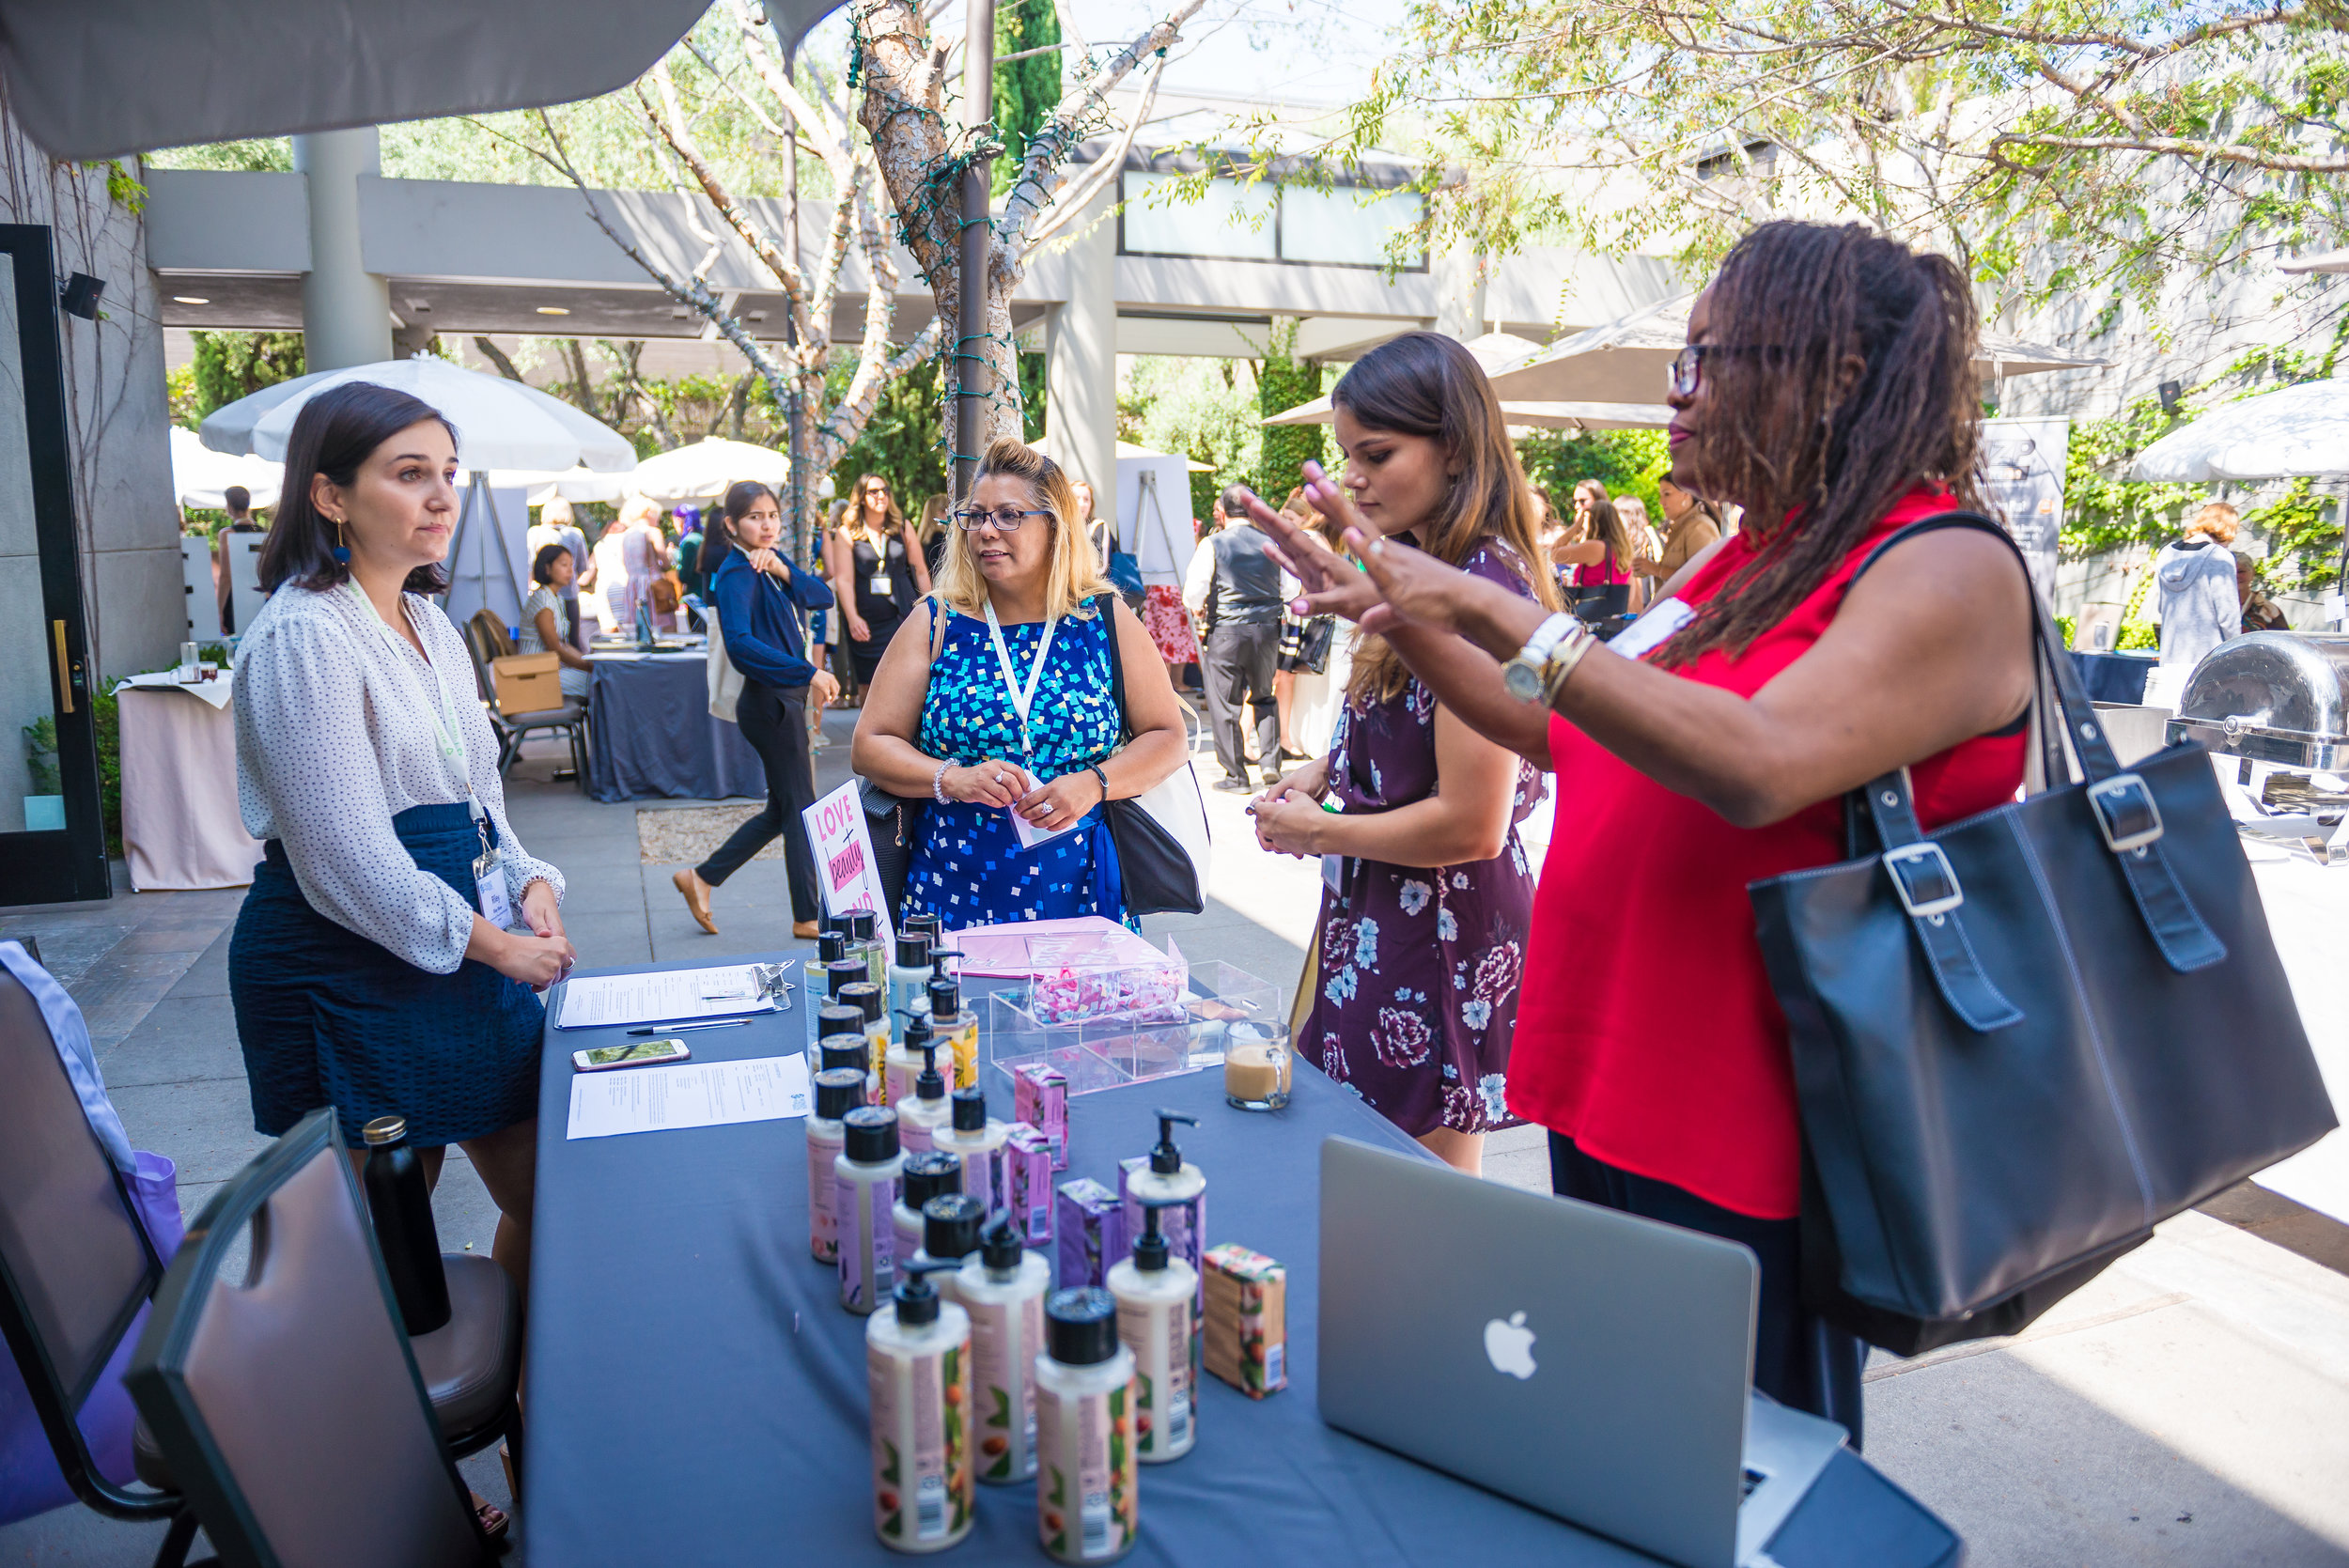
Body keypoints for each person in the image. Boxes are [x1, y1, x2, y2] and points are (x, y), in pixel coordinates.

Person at [1256, 221, 2034, 1434]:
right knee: (1630, 1451)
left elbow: (1762, 765)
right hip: (1609, 1083)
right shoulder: (1746, 563)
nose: (1676, 399)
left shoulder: (1942, 564)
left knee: (1750, 1466)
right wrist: (1407, 621)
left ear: (1831, 375)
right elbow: (1551, 729)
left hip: (1749, 1123)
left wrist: (1488, 607)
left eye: (1706, 361)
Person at [229, 385, 571, 1540]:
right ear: (329, 496)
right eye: (407, 473)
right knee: (386, 1259)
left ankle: (527, 1404)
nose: (440, 496)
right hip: (347, 962)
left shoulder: (425, 620)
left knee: (551, 1201)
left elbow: (476, 798)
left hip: (460, 938)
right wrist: (496, 941)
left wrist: (528, 878)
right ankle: (400, 1487)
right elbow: (342, 862)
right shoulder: (298, 636)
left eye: (447, 471)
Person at [1246, 334, 1554, 1177]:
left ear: (1453, 445)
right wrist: (1326, 773)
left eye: (1376, 454)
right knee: (1381, 1197)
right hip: (1392, 922)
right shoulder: (1428, 568)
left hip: (1440, 934)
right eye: (1349, 455)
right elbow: (1409, 741)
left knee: (1417, 1211)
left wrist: (1322, 832)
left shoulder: (1481, 588)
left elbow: (1473, 822)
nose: (1352, 477)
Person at [851, 438, 1188, 931]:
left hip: (1082, 896)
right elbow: (869, 744)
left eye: (1009, 515)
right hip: (951, 896)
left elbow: (1168, 736)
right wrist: (952, 778)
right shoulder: (936, 621)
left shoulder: (1103, 618)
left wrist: (1094, 784)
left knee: (1080, 1011)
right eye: (976, 516)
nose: (987, 531)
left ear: (1054, 527)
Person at [672, 482, 840, 939]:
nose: (766, 524)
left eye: (772, 515)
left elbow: (821, 597)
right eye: (754, 516)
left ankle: (702, 877)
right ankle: (807, 915)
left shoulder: (765, 566)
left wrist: (785, 569)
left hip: (780, 702)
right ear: (731, 524)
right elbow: (742, 647)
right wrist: (808, 672)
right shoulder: (736, 574)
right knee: (800, 809)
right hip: (769, 705)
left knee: (783, 810)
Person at [1190, 484, 1290, 791]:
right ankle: (1271, 765)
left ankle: (1236, 776)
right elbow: (1291, 588)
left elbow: (1193, 592)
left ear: (1222, 508)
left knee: (1224, 704)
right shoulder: (1271, 543)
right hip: (1266, 630)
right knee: (1264, 697)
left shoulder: (1213, 543)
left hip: (1227, 632)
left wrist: (1198, 607)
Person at [828, 473, 932, 689]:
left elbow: (920, 570)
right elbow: (844, 580)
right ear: (861, 497)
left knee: (908, 681)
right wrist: (853, 617)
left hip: (903, 614)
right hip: (867, 622)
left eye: (885, 491)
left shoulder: (902, 527)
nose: (881, 496)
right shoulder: (847, 533)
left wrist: (932, 607)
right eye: (874, 492)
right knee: (871, 684)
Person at [2154, 502, 2243, 671]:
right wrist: (2236, 651)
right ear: (2228, 529)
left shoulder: (2166, 553)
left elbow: (2160, 606)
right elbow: (2228, 616)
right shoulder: (2219, 557)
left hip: (2170, 655)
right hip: (2209, 658)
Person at [518, 543, 594, 700]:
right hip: (537, 674)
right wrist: (588, 667)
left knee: (599, 678)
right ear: (547, 568)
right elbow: (555, 648)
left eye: (571, 565)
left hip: (550, 669)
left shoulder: (555, 598)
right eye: (564, 565)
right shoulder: (543, 601)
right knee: (599, 682)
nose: (570, 571)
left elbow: (564, 644)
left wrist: (588, 662)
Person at [1553, 478, 1637, 618]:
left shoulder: (1595, 547)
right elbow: (1630, 595)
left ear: (1593, 519)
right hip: (1612, 622)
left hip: (1590, 620)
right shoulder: (1623, 549)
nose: (1577, 507)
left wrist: (1576, 526)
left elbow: (1555, 554)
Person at [529, 495, 593, 653]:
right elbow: (583, 567)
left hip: (540, 591)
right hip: (569, 595)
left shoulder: (535, 533)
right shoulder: (575, 534)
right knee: (572, 641)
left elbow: (529, 564)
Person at [1633, 477, 1725, 585]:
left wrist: (1655, 570)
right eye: (1661, 495)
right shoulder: (1681, 525)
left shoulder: (1699, 526)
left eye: (1667, 494)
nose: (1661, 502)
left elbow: (1703, 577)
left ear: (1686, 494)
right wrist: (1648, 568)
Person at [2237, 551, 2290, 632]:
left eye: (2241, 572)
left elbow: (2284, 640)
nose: (2236, 576)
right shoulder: (2216, 607)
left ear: (2252, 572)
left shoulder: (2269, 610)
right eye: (2230, 572)